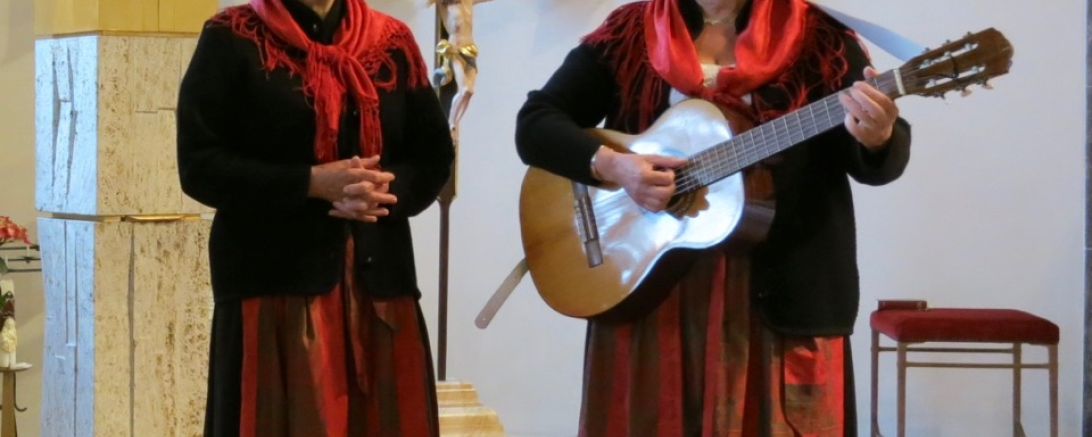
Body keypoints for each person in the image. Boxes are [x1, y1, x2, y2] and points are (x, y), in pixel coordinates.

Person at [515, 0, 911, 436]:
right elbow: (535, 124)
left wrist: (878, 137)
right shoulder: (633, 31)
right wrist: (616, 167)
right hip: (651, 288)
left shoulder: (817, 36)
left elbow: (873, 161)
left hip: (783, 291)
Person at [176, 0, 454, 435]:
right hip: (273, 291)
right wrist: (309, 182)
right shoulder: (231, 37)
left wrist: (381, 191)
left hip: (380, 287)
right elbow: (199, 165)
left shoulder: (393, 41)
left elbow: (434, 157)